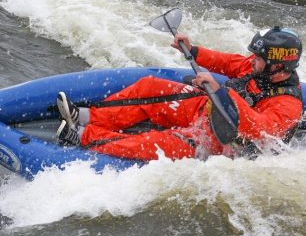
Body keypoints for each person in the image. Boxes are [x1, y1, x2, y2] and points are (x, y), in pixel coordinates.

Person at [55, 26, 303, 160]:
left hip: (221, 145)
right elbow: (228, 62)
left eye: (259, 59)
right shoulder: (260, 68)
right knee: (149, 88)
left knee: (158, 142)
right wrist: (194, 50)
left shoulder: (288, 105)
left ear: (278, 65)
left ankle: (84, 135)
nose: (252, 62)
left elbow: (257, 129)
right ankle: (87, 117)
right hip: (207, 109)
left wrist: (223, 94)